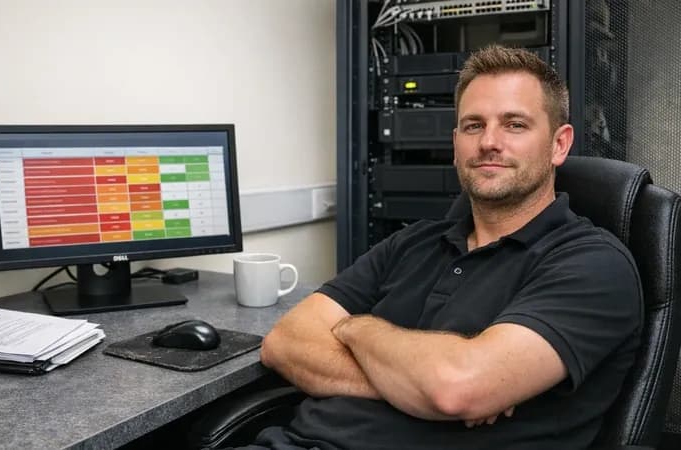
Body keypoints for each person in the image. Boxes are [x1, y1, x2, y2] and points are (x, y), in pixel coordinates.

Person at [234, 45, 643, 450]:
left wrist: (354, 327)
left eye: (514, 124)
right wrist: (411, 387)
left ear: (559, 144)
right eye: (473, 125)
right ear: (455, 143)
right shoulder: (412, 243)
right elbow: (285, 342)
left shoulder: (593, 264)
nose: (489, 142)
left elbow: (456, 390)